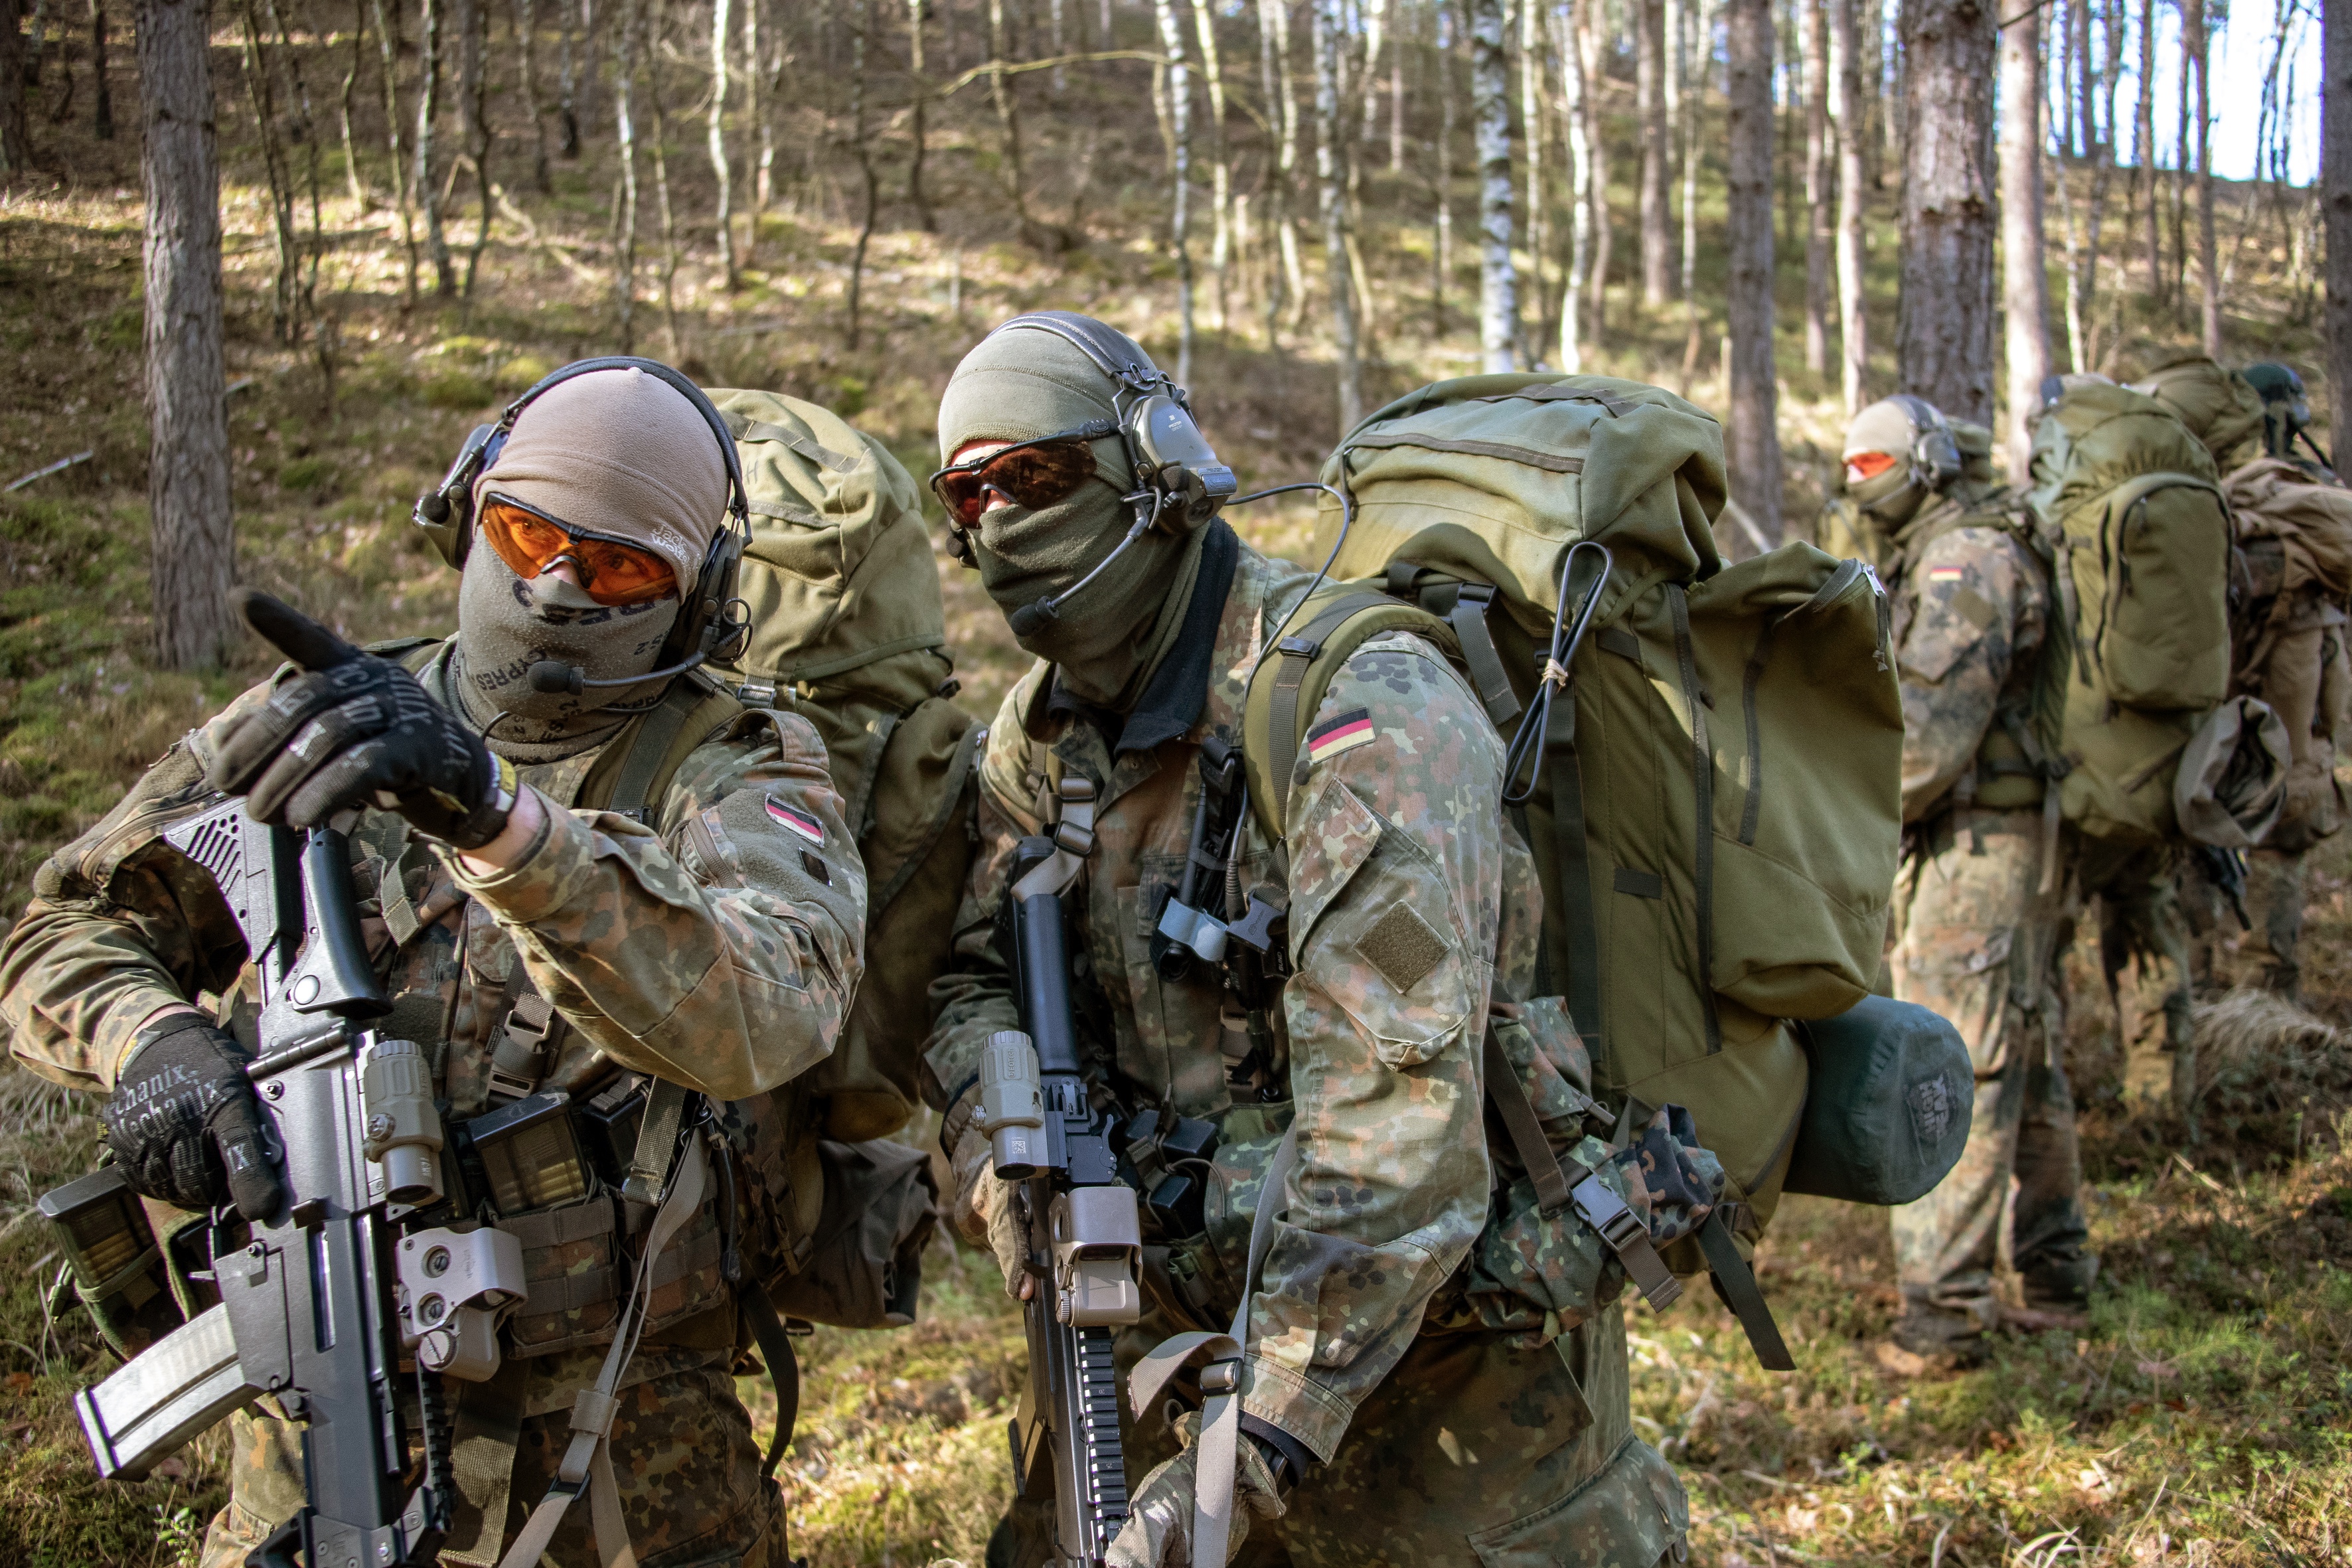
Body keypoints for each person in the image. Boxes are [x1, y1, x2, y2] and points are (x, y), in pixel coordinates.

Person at [0, 362, 866, 1567]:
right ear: (467, 514)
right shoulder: (325, 721)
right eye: (526, 532)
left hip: (630, 1456)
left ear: (694, 598)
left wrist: (500, 822)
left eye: (619, 566)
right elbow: (62, 926)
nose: (558, 584)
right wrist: (150, 1038)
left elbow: (770, 1007)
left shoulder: (738, 764)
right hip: (315, 1421)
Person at [924, 314, 1690, 1567]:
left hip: (1440, 1397)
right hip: (1148, 1356)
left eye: (1039, 475)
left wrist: (1257, 1435)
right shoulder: (1037, 737)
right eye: (970, 490)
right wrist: (999, 1139)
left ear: (1155, 471)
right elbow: (970, 975)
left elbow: (1399, 1129)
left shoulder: (1358, 707)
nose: (1000, 519)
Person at [1838, 394, 2096, 1366]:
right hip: (1997, 843)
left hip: (1981, 850)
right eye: (1853, 469)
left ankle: (1943, 1311)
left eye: (1874, 467)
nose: (1859, 485)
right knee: (2023, 1047)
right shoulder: (1956, 547)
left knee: (1959, 1063)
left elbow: (1924, 748)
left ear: (1931, 463)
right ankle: (2056, 1272)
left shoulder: (1964, 564)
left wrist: (1829, 821)